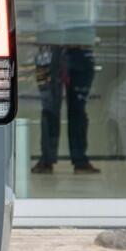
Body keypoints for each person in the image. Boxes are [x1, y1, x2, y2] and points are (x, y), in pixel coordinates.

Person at [32, 44, 100, 174]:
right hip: (63, 51)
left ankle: (50, 160)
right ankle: (77, 160)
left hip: (56, 51)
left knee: (64, 109)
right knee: (55, 108)